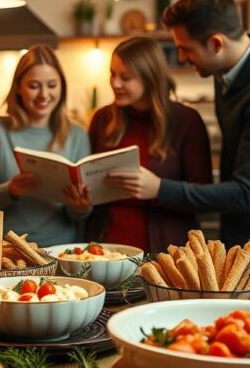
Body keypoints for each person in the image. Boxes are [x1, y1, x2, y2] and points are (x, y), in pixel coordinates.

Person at [108, 0, 250, 257]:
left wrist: (159, 188)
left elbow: (245, 193)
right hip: (246, 241)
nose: (182, 58)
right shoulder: (226, 74)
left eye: (186, 49)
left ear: (217, 43)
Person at [88, 36, 212, 252]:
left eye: (125, 77)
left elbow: (205, 197)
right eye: (112, 74)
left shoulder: (186, 121)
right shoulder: (102, 119)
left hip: (168, 253)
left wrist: (159, 189)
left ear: (150, 78)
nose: (115, 83)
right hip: (105, 251)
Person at [0, 44, 92, 247]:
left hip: (58, 251)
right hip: (0, 251)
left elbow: (78, 216)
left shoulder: (77, 135)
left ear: (62, 87)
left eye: (52, 85)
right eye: (34, 86)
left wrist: (80, 207)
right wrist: (11, 190)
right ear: (18, 88)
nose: (44, 94)